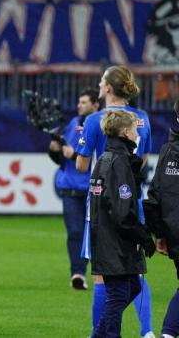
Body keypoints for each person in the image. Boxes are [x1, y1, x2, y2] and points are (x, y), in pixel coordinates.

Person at [76, 65, 155, 338]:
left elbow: (82, 164)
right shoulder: (142, 118)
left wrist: (71, 149)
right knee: (136, 272)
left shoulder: (96, 119)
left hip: (101, 206)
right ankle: (148, 332)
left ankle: (98, 333)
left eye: (101, 82)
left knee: (103, 275)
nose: (99, 86)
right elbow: (142, 162)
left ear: (108, 88)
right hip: (132, 201)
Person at [89, 109, 156, 337]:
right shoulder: (119, 164)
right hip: (115, 243)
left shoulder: (104, 159)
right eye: (136, 129)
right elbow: (122, 213)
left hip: (105, 238)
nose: (138, 134)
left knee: (133, 287)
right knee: (118, 296)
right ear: (126, 132)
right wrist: (144, 237)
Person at [48, 88, 99, 290]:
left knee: (96, 234)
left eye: (84, 102)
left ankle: (100, 273)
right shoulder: (73, 124)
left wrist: (72, 154)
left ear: (96, 104)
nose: (79, 105)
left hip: (93, 190)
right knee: (75, 233)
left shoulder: (102, 124)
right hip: (71, 189)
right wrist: (53, 151)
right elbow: (62, 160)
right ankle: (78, 273)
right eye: (79, 101)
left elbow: (95, 156)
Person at [144, 100, 179, 338]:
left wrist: (160, 233)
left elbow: (155, 194)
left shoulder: (167, 150)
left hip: (173, 232)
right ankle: (168, 332)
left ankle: (169, 332)